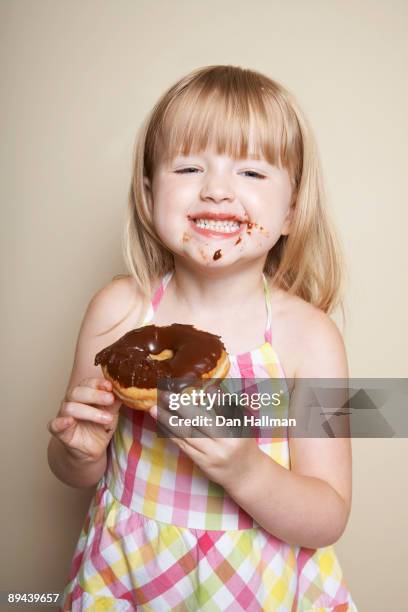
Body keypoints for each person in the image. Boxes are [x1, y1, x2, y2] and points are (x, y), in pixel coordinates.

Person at [47, 64, 358, 611]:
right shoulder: (119, 311)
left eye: (252, 174)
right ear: (148, 194)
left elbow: (329, 515)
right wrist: (77, 451)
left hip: (257, 584)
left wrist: (246, 471)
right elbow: (75, 467)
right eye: (189, 167)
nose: (216, 190)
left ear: (291, 209)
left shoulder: (310, 338)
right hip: (129, 576)